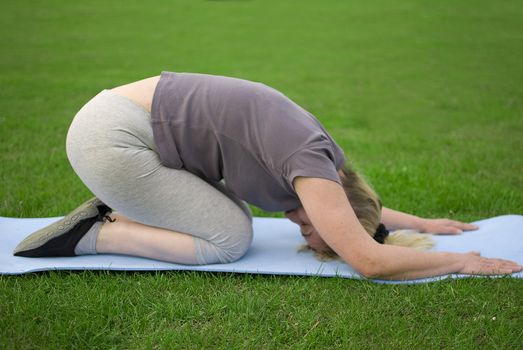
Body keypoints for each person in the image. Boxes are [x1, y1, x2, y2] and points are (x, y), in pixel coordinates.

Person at [13, 71, 522, 280]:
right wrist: (465, 262)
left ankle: (116, 211)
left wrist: (426, 225)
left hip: (115, 121)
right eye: (316, 234)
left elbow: (354, 209)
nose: (304, 230)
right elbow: (368, 261)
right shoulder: (311, 171)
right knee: (228, 238)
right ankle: (96, 233)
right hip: (112, 140)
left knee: (229, 214)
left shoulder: (325, 164)